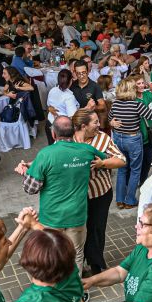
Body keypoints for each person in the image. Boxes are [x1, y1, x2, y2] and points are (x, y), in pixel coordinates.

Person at [15, 116, 107, 273]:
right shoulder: (87, 150)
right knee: (77, 254)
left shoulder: (46, 154)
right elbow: (105, 163)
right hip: (77, 216)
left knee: (53, 255)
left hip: (52, 218)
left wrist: (25, 172)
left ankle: (57, 290)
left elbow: (30, 188)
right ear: (73, 132)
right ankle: (77, 292)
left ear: (53, 134)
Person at [71, 109, 126, 275]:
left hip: (100, 194)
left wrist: (103, 163)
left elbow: (121, 160)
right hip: (76, 196)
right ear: (83, 126)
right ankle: (78, 265)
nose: (99, 125)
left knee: (96, 229)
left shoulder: (103, 138)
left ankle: (96, 265)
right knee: (78, 231)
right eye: (94, 122)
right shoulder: (68, 140)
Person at [109, 76, 152, 209]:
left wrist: (112, 123)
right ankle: (130, 200)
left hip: (118, 138)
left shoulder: (115, 104)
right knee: (135, 170)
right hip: (133, 139)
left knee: (122, 169)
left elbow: (110, 119)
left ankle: (119, 200)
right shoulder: (136, 104)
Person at [45, 68, 79, 145]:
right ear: (70, 81)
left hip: (49, 123)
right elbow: (72, 117)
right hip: (61, 129)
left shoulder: (52, 90)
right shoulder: (69, 96)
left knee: (52, 147)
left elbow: (49, 105)